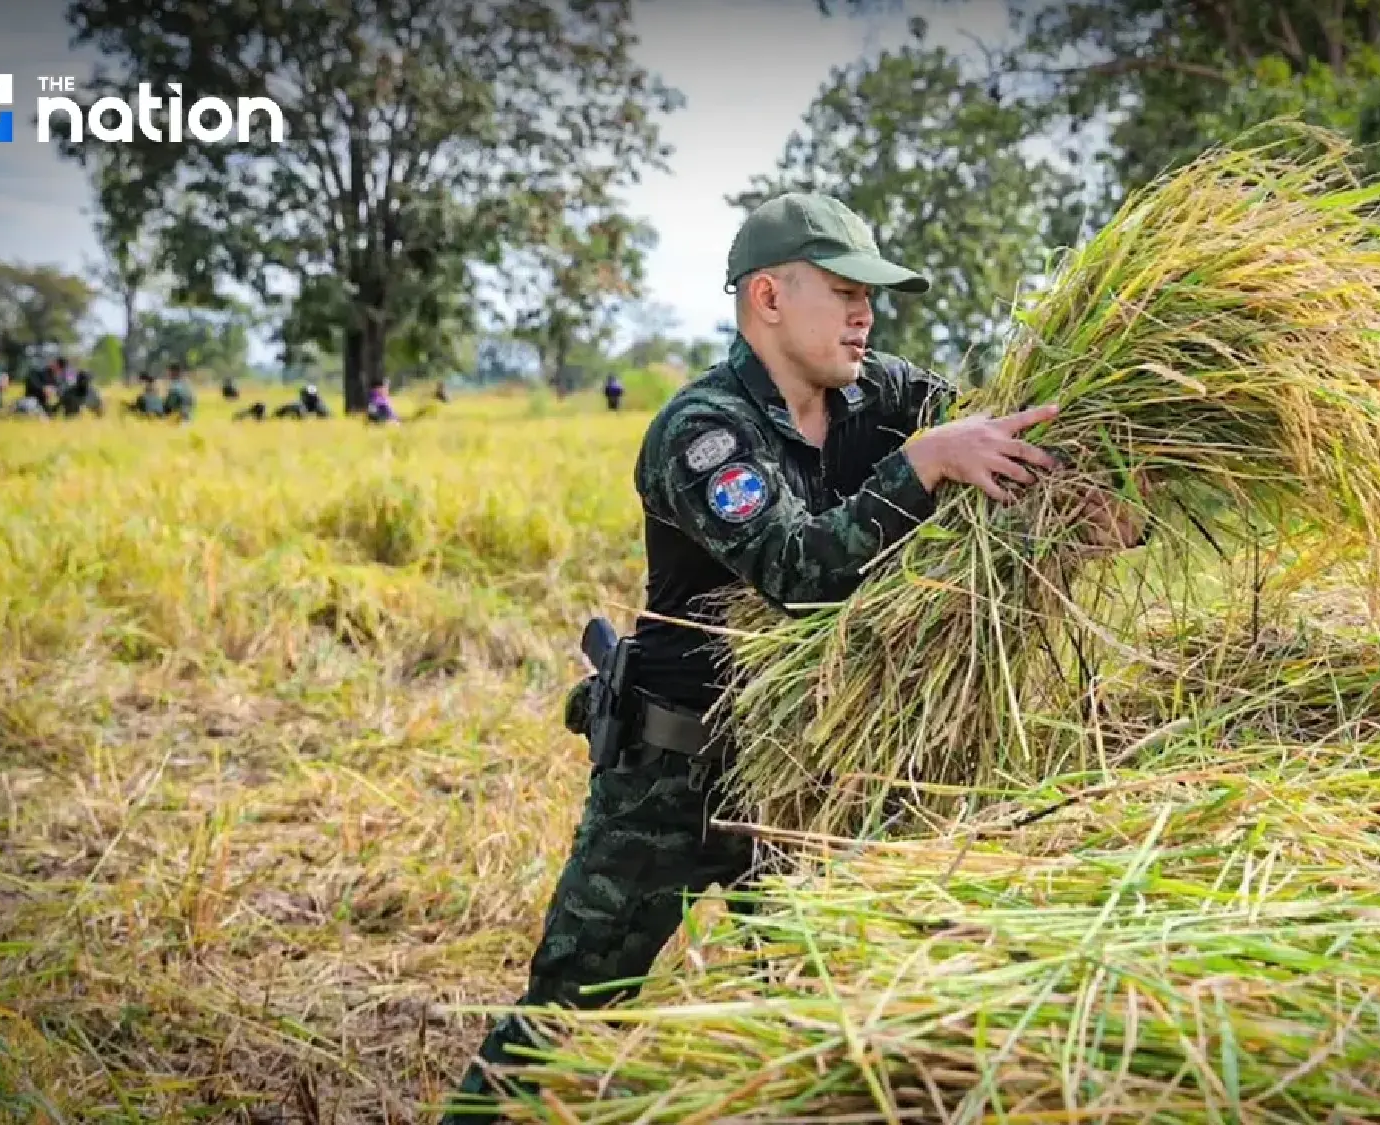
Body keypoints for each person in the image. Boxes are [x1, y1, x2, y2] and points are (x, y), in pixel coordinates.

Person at [442, 192, 1138, 1118]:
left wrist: (1092, 500)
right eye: (846, 291)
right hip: (676, 776)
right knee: (567, 1015)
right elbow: (801, 573)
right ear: (768, 297)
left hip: (814, 772)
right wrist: (924, 464)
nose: (866, 314)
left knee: (833, 1013)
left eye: (873, 297)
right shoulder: (704, 433)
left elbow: (1003, 436)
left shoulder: (884, 394)